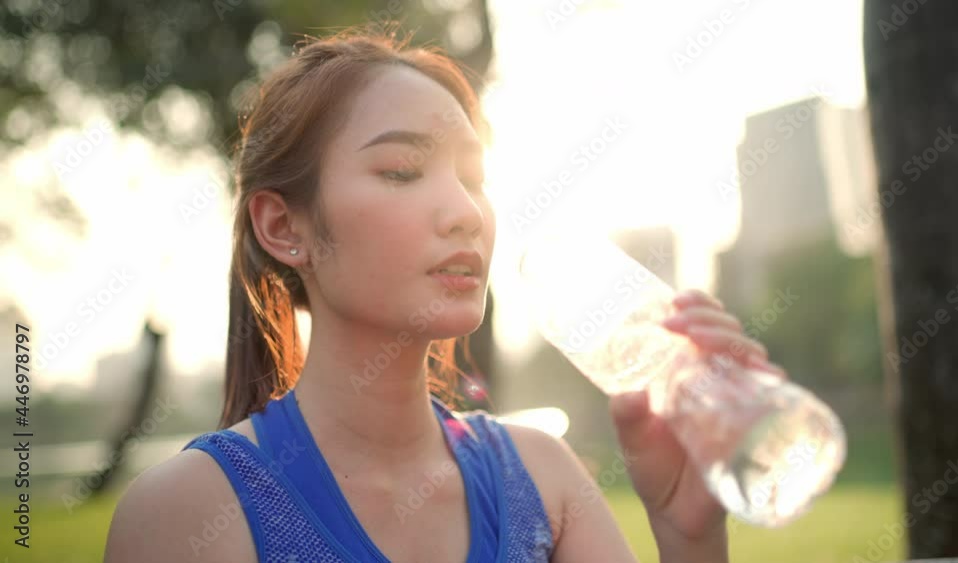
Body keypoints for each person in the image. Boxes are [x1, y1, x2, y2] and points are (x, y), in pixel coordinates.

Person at [104, 27, 785, 563]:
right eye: (402, 171)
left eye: (473, 176)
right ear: (284, 227)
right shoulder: (189, 510)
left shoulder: (543, 480)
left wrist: (689, 533)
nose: (465, 211)